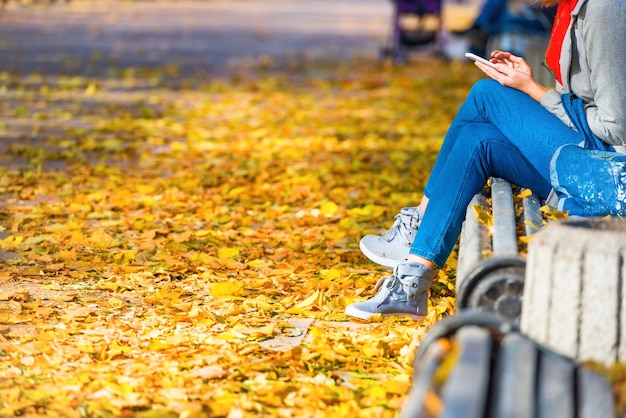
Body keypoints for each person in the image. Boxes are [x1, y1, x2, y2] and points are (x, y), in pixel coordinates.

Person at [346, 0, 626, 321]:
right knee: (477, 139)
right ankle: (412, 283)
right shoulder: (572, 8)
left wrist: (533, 91)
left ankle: (417, 224)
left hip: (607, 177)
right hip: (581, 160)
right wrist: (527, 82)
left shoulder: (606, 9)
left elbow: (616, 126)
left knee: (486, 94)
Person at [455, 0, 557, 56]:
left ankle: (480, 28)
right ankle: (480, 28)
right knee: (505, 16)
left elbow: (548, 12)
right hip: (530, 17)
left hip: (542, 24)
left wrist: (527, 6)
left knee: (508, 22)